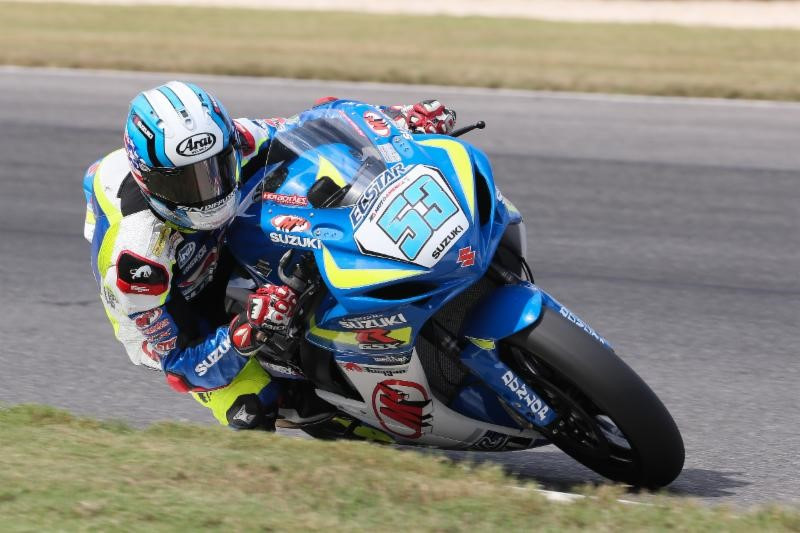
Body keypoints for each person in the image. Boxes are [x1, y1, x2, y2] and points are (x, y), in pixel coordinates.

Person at [82, 81, 457, 430]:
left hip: (215, 246)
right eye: (186, 182)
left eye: (216, 169)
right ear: (150, 182)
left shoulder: (238, 139)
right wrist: (245, 331)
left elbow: (315, 124)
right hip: (179, 313)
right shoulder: (138, 265)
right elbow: (180, 368)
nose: (209, 191)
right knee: (257, 409)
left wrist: (398, 119)